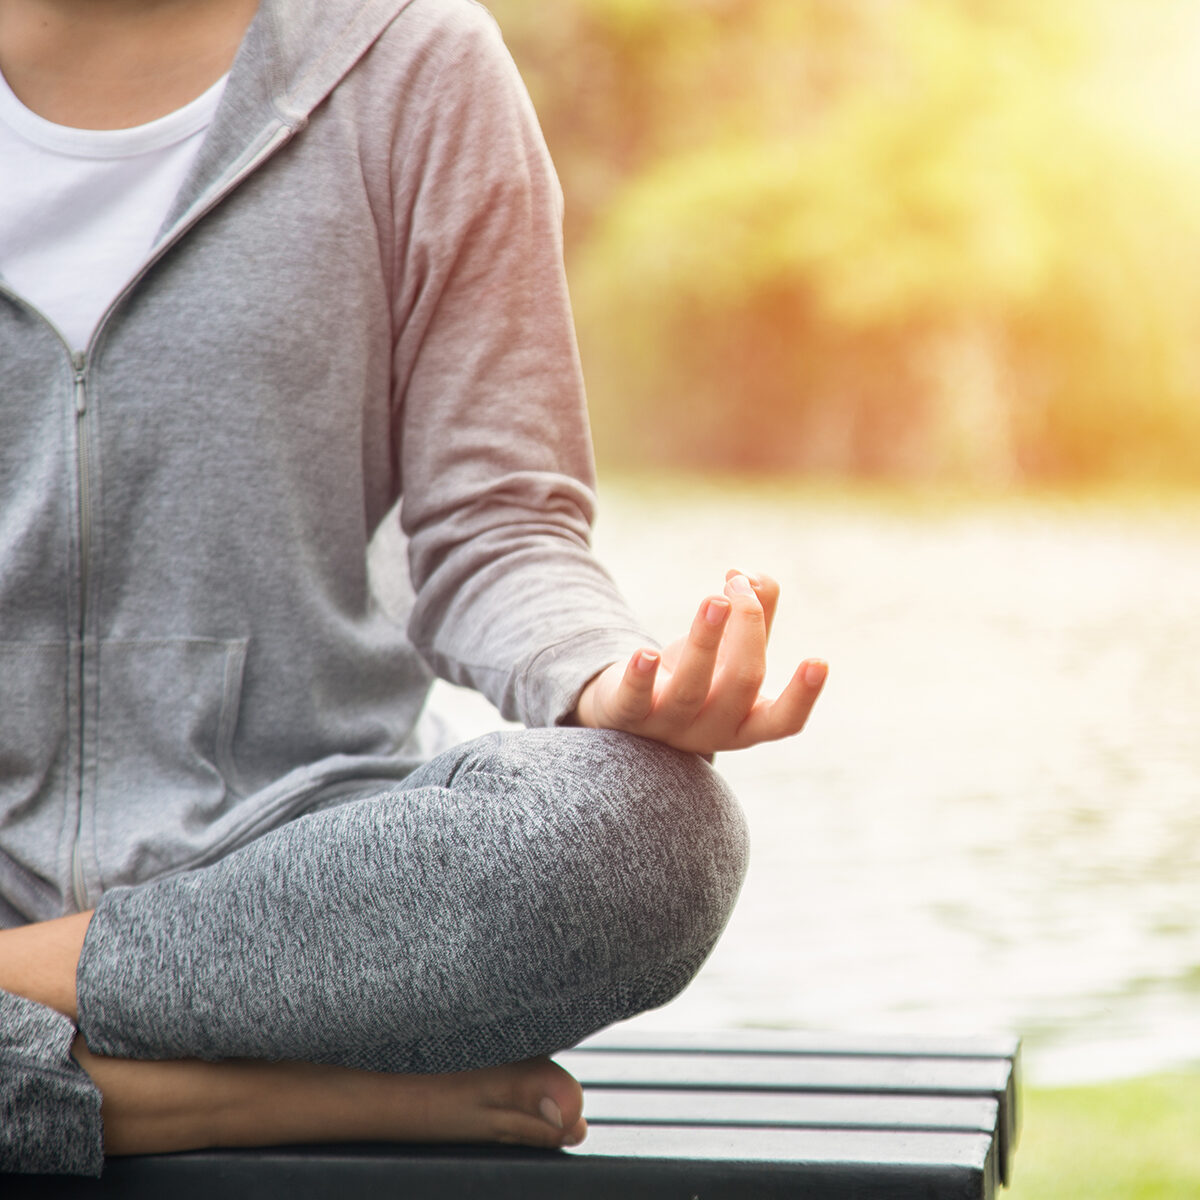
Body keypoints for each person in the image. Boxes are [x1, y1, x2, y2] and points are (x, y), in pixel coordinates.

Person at [0, 0, 827, 1176]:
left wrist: (602, 673)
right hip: (266, 979)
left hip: (295, 857)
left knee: (649, 837)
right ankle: (250, 1099)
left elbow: (497, 521)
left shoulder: (414, 61)